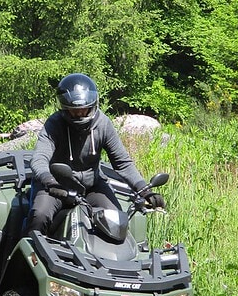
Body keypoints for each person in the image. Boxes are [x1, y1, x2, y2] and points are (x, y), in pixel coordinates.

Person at [25, 73, 165, 235]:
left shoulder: (103, 124)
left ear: (92, 105)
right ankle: (25, 254)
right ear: (64, 108)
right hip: (55, 186)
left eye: (83, 110)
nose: (79, 114)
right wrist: (49, 181)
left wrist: (144, 190)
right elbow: (39, 158)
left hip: (91, 186)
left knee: (117, 220)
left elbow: (122, 163)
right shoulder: (54, 124)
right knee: (39, 216)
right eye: (74, 110)